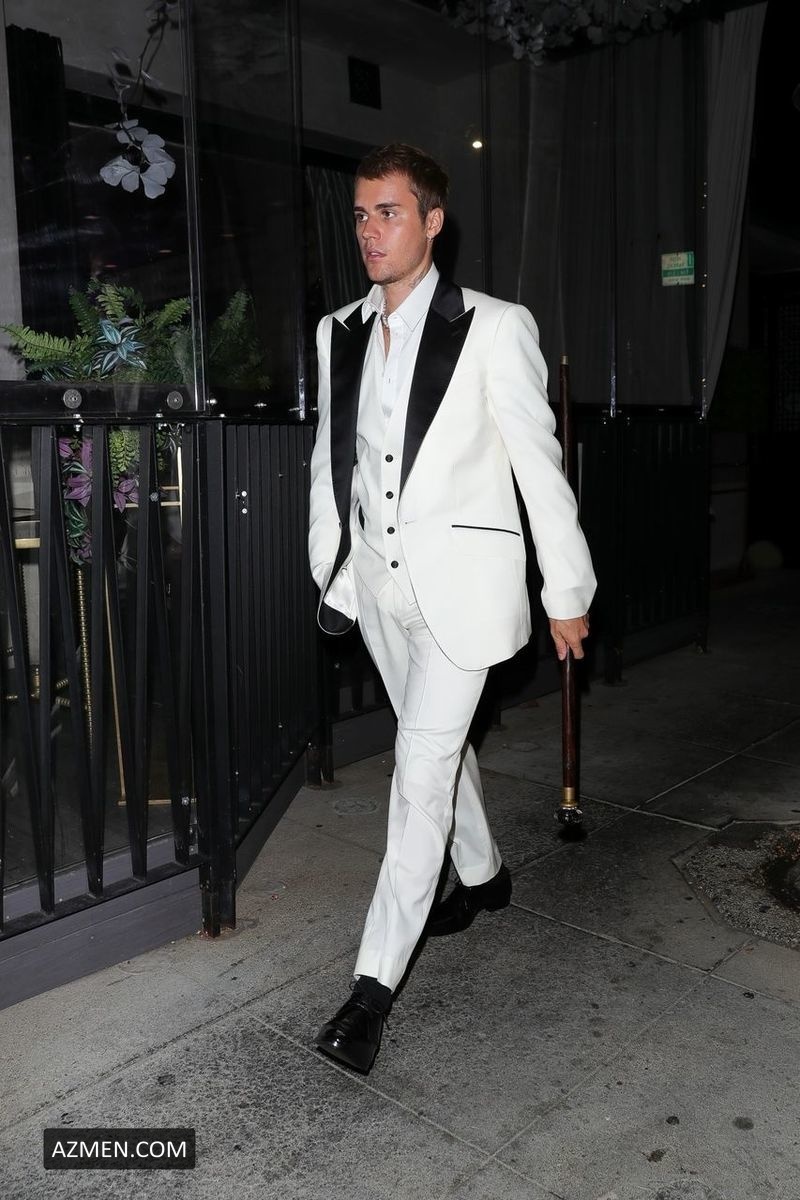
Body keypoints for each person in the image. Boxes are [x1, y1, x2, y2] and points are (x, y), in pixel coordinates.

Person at [308, 143, 596, 1074]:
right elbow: (332, 462)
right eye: (361, 214)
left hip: (464, 593)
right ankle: (482, 874)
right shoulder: (338, 330)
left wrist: (567, 589)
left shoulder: (496, 327)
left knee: (419, 774)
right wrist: (332, 568)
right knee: (433, 746)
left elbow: (539, 469)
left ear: (433, 221)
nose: (370, 231)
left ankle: (370, 993)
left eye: (388, 212)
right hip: (381, 590)